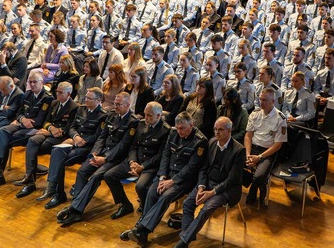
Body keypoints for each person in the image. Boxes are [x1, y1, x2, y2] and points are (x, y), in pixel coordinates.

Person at [120, 111, 208, 246]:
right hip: (166, 175)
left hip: (183, 180)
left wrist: (172, 181)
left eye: (183, 128)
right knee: (151, 192)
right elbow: (165, 156)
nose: (179, 131)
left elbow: (192, 167)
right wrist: (162, 177)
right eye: (177, 128)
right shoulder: (173, 133)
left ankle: (140, 230)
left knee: (165, 197)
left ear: (191, 125)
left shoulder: (200, 141)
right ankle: (141, 234)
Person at [55, 92, 138, 225]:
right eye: (114, 103)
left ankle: (75, 210)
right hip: (102, 153)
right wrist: (95, 153)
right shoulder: (111, 116)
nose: (115, 106)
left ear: (128, 105)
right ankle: (77, 203)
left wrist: (105, 159)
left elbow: (124, 146)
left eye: (118, 104)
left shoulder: (133, 122)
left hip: (116, 158)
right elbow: (102, 137)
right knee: (82, 171)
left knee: (96, 176)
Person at [176, 116, 246, 247]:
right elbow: (203, 167)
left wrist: (212, 192)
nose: (216, 132)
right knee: (188, 203)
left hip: (224, 189)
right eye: (215, 129)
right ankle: (187, 236)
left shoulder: (239, 150)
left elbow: (233, 179)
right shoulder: (212, 142)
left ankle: (183, 242)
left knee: (205, 210)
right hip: (207, 183)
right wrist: (201, 186)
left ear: (229, 131)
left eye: (220, 130)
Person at [0, 70, 54, 189]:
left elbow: (40, 121)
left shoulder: (47, 99)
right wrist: (22, 119)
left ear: (42, 82)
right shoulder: (28, 94)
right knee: (2, 131)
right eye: (30, 82)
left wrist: (22, 121)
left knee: (6, 139)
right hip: (22, 124)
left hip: (35, 130)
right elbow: (19, 112)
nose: (32, 84)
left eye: (35, 82)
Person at [37, 87, 106, 209]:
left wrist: (78, 140)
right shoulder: (81, 109)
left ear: (98, 100)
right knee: (56, 151)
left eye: (89, 98)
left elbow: (98, 136)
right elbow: (72, 127)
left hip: (87, 148)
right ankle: (53, 188)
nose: (86, 100)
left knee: (60, 159)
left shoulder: (103, 116)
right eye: (85, 97)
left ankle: (57, 193)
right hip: (75, 141)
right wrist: (75, 137)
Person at [103, 101, 171, 217]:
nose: (146, 118)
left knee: (140, 186)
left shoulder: (165, 130)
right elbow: (133, 146)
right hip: (135, 161)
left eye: (149, 115)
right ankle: (125, 204)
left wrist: (142, 167)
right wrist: (132, 161)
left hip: (150, 165)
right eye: (145, 114)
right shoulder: (140, 124)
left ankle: (146, 209)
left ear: (158, 116)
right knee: (109, 176)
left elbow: (160, 156)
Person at [13, 81, 79, 197]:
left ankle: (50, 186)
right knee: (32, 141)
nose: (57, 94)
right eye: (57, 92)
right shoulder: (54, 103)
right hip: (49, 132)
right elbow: (46, 121)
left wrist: (51, 131)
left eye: (61, 93)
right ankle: (29, 179)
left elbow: (69, 128)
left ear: (69, 94)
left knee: (44, 145)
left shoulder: (74, 107)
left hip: (61, 137)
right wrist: (50, 128)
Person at [244, 88, 287, 206]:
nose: (262, 102)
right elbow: (248, 135)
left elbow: (278, 145)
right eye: (260, 99)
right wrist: (248, 155)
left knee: (258, 176)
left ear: (273, 101)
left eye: (265, 100)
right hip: (252, 148)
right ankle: (262, 185)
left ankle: (254, 190)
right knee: (234, 165)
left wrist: (259, 157)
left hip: (268, 152)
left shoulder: (280, 118)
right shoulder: (255, 113)